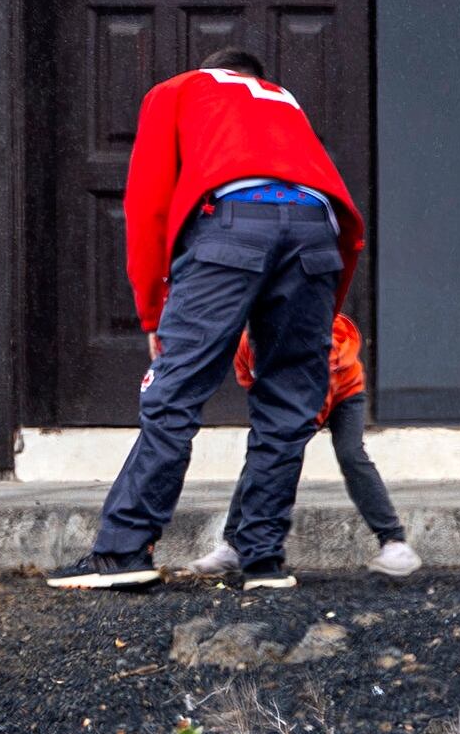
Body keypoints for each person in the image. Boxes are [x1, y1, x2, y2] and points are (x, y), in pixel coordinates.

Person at [50, 47, 365, 592]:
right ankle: (263, 559)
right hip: (317, 232)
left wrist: (154, 312)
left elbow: (147, 202)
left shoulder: (179, 90)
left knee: (174, 395)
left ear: (211, 69)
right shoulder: (284, 101)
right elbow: (324, 210)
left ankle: (124, 552)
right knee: (291, 398)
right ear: (256, 78)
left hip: (233, 226)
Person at [190, 310, 419, 578]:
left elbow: (318, 398)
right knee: (261, 456)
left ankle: (394, 543)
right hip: (291, 397)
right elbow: (252, 384)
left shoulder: (320, 342)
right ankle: (233, 547)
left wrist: (285, 440)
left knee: (351, 454)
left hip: (343, 391)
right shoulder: (245, 346)